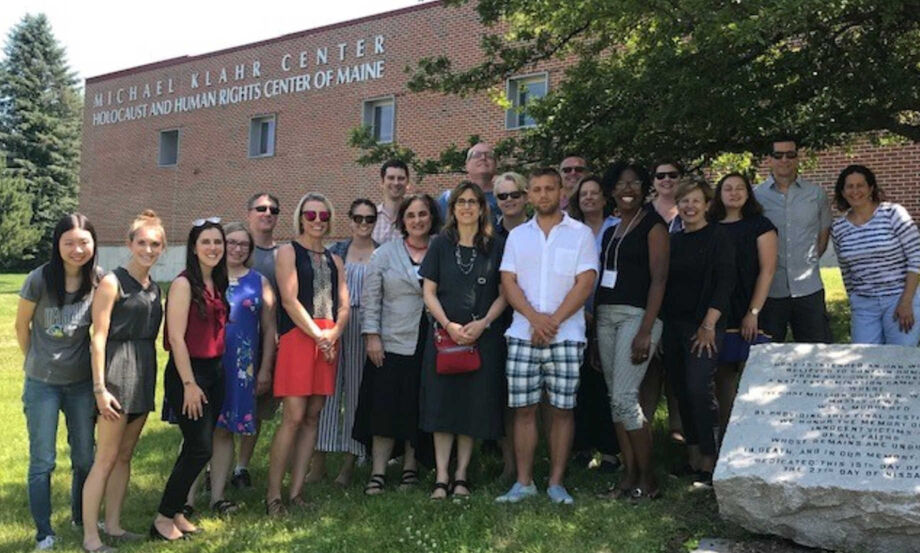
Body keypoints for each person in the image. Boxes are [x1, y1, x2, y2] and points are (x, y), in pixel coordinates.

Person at [497, 168, 598, 505]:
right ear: (529, 195)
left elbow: (585, 282)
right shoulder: (518, 236)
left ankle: (556, 482)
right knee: (523, 409)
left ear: (561, 194)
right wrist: (534, 319)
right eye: (536, 189)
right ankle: (524, 482)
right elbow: (508, 282)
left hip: (567, 335)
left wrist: (551, 321)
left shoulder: (581, 234)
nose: (542, 195)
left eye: (549, 189)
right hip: (523, 334)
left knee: (561, 410)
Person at [82, 211, 165, 551]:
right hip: (115, 374)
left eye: (155, 244)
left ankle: (113, 525)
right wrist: (100, 389)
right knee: (106, 458)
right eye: (142, 242)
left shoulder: (155, 287)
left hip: (143, 373)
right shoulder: (111, 282)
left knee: (126, 456)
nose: (148, 249)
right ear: (129, 244)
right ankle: (91, 537)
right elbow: (97, 338)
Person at [16, 214, 100, 551]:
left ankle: (82, 517)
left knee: (84, 457)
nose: (77, 249)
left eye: (84, 242)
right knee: (43, 461)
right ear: (58, 244)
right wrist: (34, 361)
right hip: (43, 385)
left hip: (81, 384)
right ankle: (44, 532)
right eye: (69, 242)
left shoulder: (99, 280)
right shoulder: (39, 279)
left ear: (93, 244)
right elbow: (22, 326)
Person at [420, 182, 507, 499]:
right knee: (443, 406)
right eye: (461, 202)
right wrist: (448, 324)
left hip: (481, 339)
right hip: (445, 338)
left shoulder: (495, 245)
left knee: (471, 407)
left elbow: (504, 293)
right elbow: (428, 291)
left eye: (473, 201)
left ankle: (461, 476)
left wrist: (483, 323)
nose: (467, 207)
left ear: (482, 208)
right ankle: (441, 476)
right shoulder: (440, 244)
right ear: (452, 208)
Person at [265, 193, 349, 515]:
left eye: (323, 215)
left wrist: (334, 334)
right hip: (300, 338)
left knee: (314, 416)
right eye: (311, 215)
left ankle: (297, 492)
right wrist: (318, 336)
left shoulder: (335, 259)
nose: (317, 220)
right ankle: (273, 495)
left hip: (328, 339)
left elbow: (344, 303)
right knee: (294, 417)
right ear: (301, 217)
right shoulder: (288, 251)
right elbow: (288, 299)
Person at [353, 194, 441, 495]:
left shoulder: (441, 249)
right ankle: (378, 471)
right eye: (411, 215)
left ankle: (410, 467)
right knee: (384, 407)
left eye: (423, 214)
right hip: (390, 341)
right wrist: (372, 336)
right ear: (403, 221)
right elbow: (371, 298)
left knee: (417, 405)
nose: (417, 220)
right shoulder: (385, 254)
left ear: (432, 217)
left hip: (430, 342)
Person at [594, 167, 668, 501]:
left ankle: (647, 478)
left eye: (634, 182)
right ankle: (628, 476)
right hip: (606, 317)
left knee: (625, 398)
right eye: (620, 183)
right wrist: (595, 333)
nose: (627, 189)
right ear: (611, 190)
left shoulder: (654, 226)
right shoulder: (611, 232)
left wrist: (646, 329)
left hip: (637, 318)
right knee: (615, 403)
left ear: (644, 188)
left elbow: (659, 280)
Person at [152, 217, 229, 541]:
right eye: (206, 242)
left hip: (215, 371)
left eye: (218, 242)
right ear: (194, 249)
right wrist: (188, 384)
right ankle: (162, 518)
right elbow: (177, 338)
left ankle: (178, 513)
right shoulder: (184, 284)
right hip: (189, 373)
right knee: (198, 448)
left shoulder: (217, 283)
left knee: (202, 448)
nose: (213, 248)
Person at [663, 178, 735, 488]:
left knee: (698, 390)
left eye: (696, 201)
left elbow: (725, 283)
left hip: (704, 326)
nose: (690, 206)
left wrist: (708, 325)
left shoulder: (719, 236)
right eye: (684, 201)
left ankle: (710, 457)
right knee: (680, 390)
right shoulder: (674, 241)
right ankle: (692, 457)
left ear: (707, 204)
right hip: (673, 326)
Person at [205, 222, 277, 514]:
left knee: (225, 430)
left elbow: (270, 329)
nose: (236, 249)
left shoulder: (260, 282)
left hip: (243, 367)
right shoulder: (207, 278)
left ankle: (218, 496)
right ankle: (185, 498)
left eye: (243, 245)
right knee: (201, 431)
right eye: (231, 242)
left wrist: (265, 369)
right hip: (207, 363)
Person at [309, 200, 379, 486]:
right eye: (358, 218)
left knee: (356, 395)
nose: (364, 223)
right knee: (326, 394)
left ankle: (350, 462)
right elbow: (323, 291)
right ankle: (318, 461)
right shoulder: (336, 251)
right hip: (336, 325)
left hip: (368, 327)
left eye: (369, 218)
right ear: (349, 220)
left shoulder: (383, 251)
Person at [709, 174, 777, 434]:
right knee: (722, 377)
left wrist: (753, 312)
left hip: (751, 308)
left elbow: (767, 271)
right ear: (719, 194)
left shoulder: (761, 225)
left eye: (740, 188)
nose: (734, 193)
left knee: (755, 376)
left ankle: (757, 433)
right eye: (728, 188)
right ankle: (727, 437)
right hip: (719, 311)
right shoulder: (710, 225)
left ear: (749, 193)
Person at [754, 136, 833, 343]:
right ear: (769, 159)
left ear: (798, 158)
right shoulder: (756, 196)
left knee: (816, 354)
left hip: (809, 288)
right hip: (770, 290)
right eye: (778, 155)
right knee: (767, 356)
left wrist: (807, 261)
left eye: (790, 154)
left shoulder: (816, 194)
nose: (784, 160)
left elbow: (823, 237)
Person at [567, 172, 621, 473]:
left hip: (610, 315)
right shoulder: (570, 230)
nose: (588, 197)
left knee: (607, 383)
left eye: (594, 193)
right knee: (580, 384)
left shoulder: (617, 228)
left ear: (604, 197)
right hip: (575, 316)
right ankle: (582, 446)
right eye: (583, 193)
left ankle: (611, 450)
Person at [831, 165, 920, 345]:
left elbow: (916, 257)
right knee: (864, 362)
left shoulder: (893, 213)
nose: (855, 191)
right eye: (850, 186)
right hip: (864, 306)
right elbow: (846, 271)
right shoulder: (839, 228)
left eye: (860, 185)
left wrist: (906, 301)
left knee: (899, 361)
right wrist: (854, 300)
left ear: (871, 188)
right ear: (842, 191)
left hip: (899, 298)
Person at [233, 192, 282, 490]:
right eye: (261, 208)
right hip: (230, 345)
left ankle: (241, 467)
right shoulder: (235, 249)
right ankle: (213, 466)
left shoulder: (282, 255)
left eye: (273, 210)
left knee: (256, 410)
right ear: (249, 212)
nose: (267, 213)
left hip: (265, 344)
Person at [641, 159, 686, 444]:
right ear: (653, 181)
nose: (666, 180)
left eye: (672, 175)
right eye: (660, 175)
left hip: (683, 301)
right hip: (647, 299)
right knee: (648, 370)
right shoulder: (643, 214)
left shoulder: (692, 210)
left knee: (678, 371)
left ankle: (677, 431)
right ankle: (643, 434)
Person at [437, 142, 500, 226]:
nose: (483, 158)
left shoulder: (507, 197)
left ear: (495, 165)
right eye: (476, 155)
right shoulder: (448, 199)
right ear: (467, 165)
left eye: (489, 156)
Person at [373, 160, 409, 244]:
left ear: (407, 182)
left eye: (401, 178)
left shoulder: (414, 218)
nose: (396, 183)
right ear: (382, 182)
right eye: (391, 178)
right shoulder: (371, 218)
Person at [493, 171, 529, 238]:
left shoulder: (540, 232)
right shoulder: (489, 236)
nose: (509, 199)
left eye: (515, 195)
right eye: (503, 196)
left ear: (526, 198)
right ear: (497, 200)